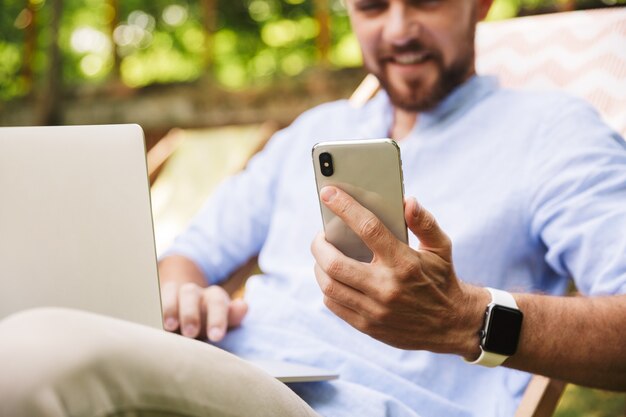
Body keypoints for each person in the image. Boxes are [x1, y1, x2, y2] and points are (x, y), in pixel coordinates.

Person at [1, 0, 625, 416]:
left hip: (351, 404)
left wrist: (466, 318)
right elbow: (185, 257)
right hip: (217, 367)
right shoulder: (317, 129)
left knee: (34, 354)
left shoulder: (552, 130)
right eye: (374, 5)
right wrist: (183, 293)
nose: (400, 28)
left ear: (481, 4)